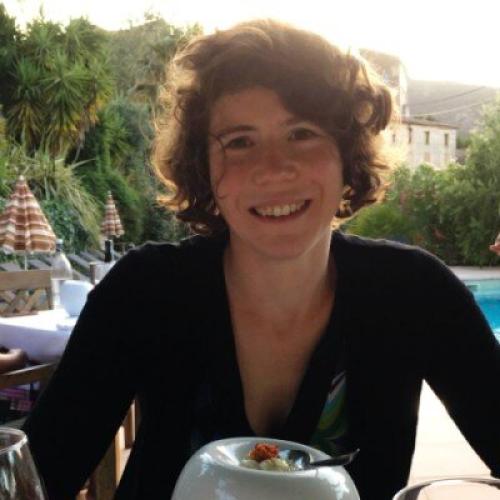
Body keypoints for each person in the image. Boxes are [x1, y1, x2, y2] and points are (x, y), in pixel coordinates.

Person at [23, 19, 500, 500]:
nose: (273, 169)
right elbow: (32, 478)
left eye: (302, 133)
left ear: (347, 156)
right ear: (204, 168)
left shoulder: (415, 293)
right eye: (239, 141)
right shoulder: (146, 290)